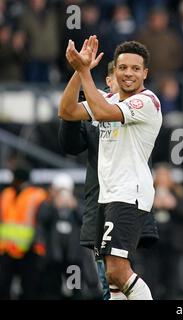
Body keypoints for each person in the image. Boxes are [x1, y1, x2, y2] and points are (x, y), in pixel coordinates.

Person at [58, 35, 162, 300]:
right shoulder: (109, 100)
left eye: (135, 68)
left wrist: (83, 70)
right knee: (113, 283)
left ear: (145, 73)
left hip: (129, 192)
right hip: (107, 195)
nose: (129, 73)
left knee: (116, 271)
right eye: (123, 68)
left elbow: (102, 112)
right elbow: (67, 111)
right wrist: (80, 73)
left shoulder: (147, 102)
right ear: (114, 71)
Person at [0, 166, 48, 299]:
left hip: (29, 248)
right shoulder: (6, 194)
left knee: (29, 287)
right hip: (6, 249)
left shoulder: (37, 195)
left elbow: (42, 222)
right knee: (4, 286)